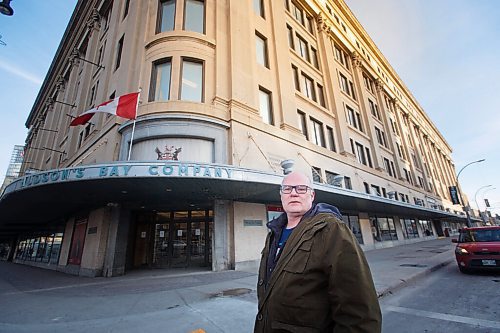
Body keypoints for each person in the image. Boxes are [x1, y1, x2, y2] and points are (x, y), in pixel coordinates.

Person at [254, 171, 381, 332]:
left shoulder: (331, 229)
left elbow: (358, 312)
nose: (293, 193)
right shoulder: (273, 233)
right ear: (281, 196)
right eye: (287, 189)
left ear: (312, 195)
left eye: (301, 188)